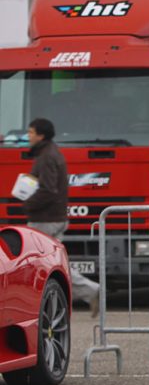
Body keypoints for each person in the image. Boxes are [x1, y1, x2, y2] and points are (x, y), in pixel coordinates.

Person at [23, 118, 100, 316]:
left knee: (47, 264)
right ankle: (86, 293)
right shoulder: (49, 153)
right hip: (52, 217)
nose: (28, 136)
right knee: (54, 262)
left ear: (41, 135)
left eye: (31, 132)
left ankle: (90, 291)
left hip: (45, 219)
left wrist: (28, 204)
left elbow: (48, 190)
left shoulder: (46, 157)